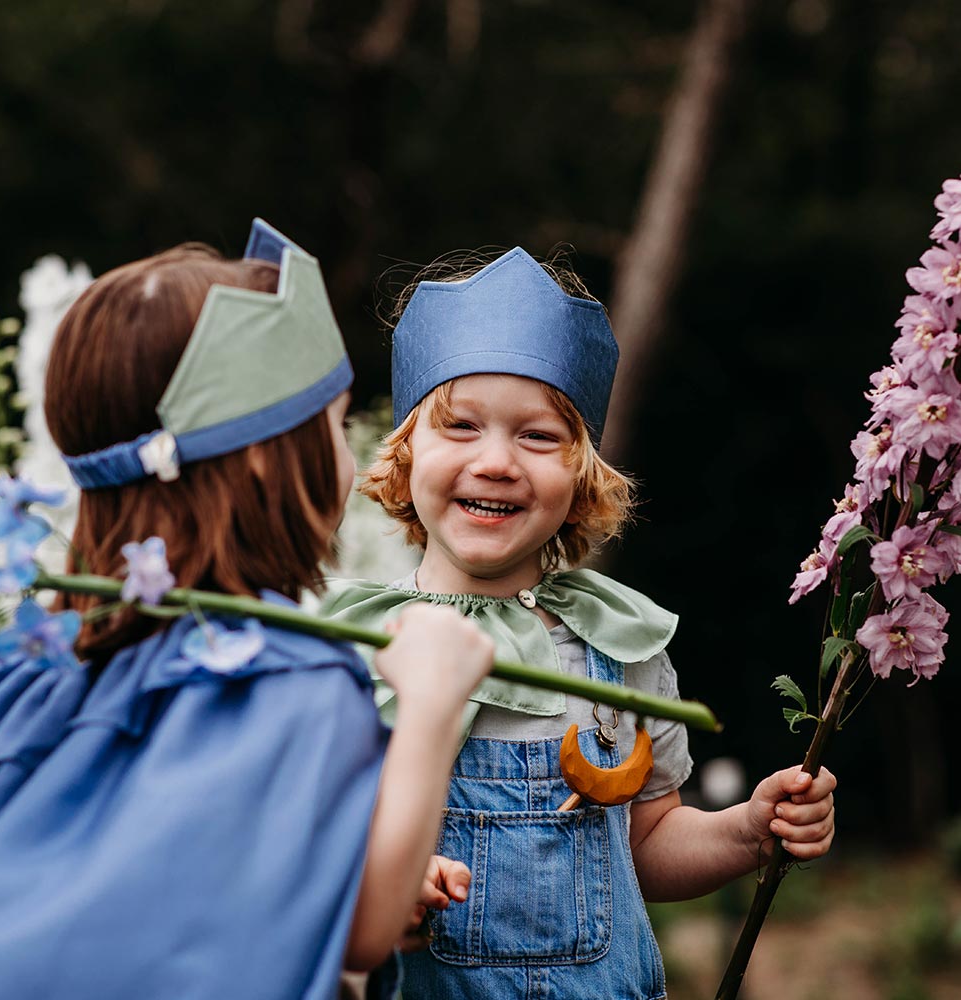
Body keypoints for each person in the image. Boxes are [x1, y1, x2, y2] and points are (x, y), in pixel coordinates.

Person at [0, 221, 494, 1000]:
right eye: (334, 419)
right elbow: (363, 922)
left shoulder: (24, 676)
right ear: (262, 455)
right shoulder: (284, 681)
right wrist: (428, 705)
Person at [319, 246, 838, 999]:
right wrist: (384, 878)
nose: (497, 461)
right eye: (460, 426)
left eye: (537, 436)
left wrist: (747, 832)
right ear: (403, 454)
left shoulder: (619, 647)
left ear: (584, 475)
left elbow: (648, 844)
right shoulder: (352, 646)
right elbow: (310, 859)